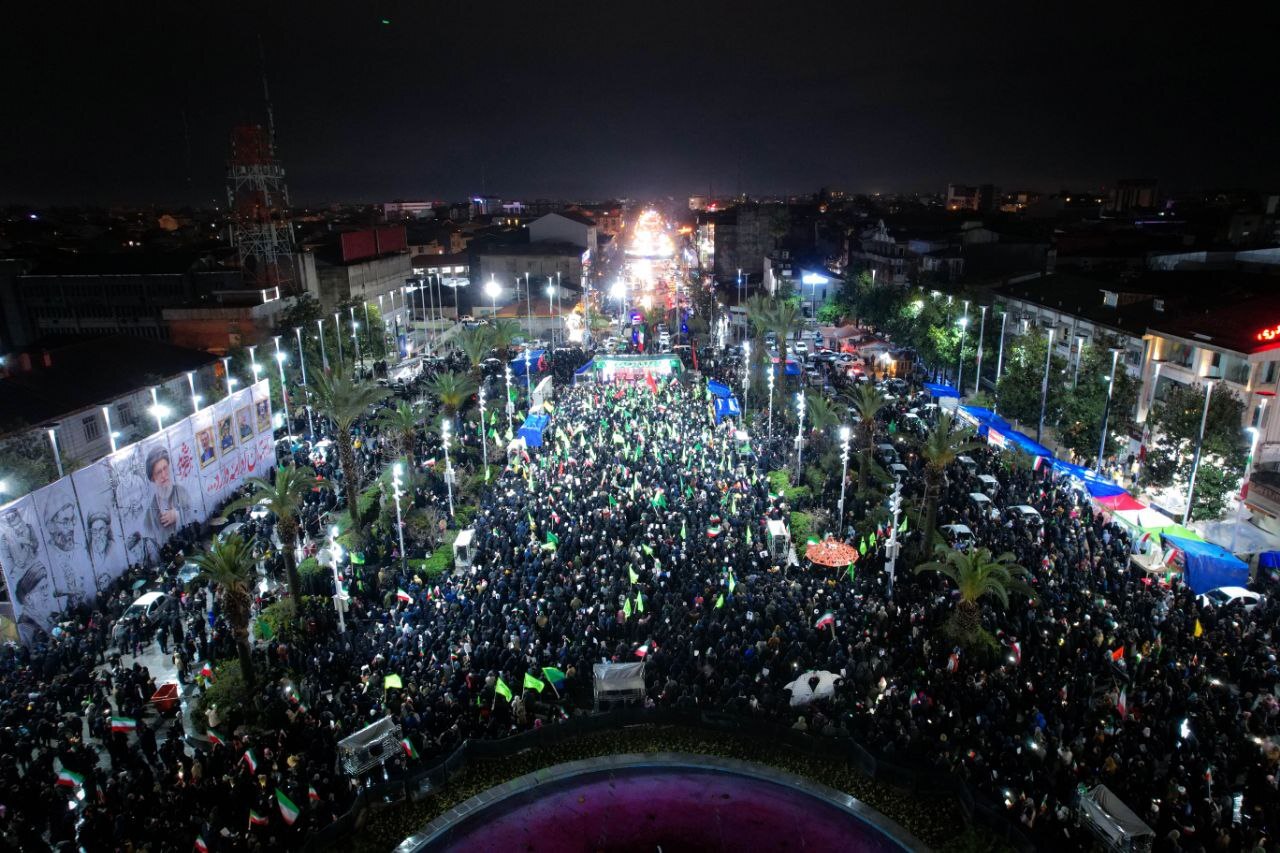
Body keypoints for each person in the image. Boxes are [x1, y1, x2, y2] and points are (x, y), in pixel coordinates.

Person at [143, 446, 194, 543]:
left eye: (165, 468)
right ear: (153, 478)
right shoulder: (150, 513)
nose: (164, 475)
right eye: (159, 472)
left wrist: (178, 515)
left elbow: (194, 512)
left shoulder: (181, 492)